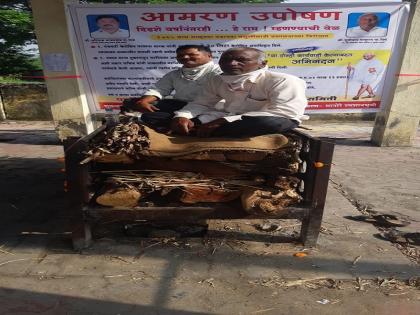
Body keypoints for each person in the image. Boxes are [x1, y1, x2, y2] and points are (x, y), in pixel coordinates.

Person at [165, 47, 308, 138]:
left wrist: (223, 121)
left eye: (241, 60)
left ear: (262, 64)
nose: (232, 63)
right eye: (226, 60)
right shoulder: (217, 79)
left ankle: (200, 131)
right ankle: (197, 129)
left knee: (269, 123)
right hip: (225, 116)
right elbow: (202, 103)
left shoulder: (283, 80)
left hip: (265, 119)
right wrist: (182, 116)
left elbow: (284, 113)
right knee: (160, 115)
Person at [122, 45, 221, 129]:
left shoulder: (219, 72)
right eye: (181, 55)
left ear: (209, 56)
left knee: (150, 116)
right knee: (131, 102)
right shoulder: (175, 74)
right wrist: (144, 102)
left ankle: (187, 123)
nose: (185, 57)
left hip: (207, 107)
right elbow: (159, 89)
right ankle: (173, 121)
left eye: (192, 55)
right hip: (179, 104)